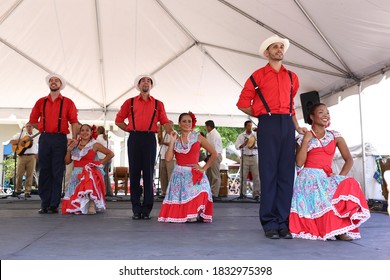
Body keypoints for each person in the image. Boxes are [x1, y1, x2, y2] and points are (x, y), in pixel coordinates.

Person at [236, 35, 306, 239]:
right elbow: (241, 103)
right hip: (267, 123)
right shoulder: (257, 75)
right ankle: (269, 223)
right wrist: (259, 113)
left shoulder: (292, 77)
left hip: (287, 123)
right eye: (275, 47)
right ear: (267, 53)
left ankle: (284, 222)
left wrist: (297, 127)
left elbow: (291, 107)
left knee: (286, 174)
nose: (279, 49)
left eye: (281, 46)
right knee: (269, 174)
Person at [289, 103, 370, 240]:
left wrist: (339, 178)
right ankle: (335, 230)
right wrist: (306, 141)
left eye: (327, 112)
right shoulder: (303, 137)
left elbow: (349, 159)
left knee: (349, 183)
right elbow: (299, 163)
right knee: (321, 193)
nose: (326, 115)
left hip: (326, 176)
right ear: (312, 117)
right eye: (321, 112)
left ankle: (339, 229)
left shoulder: (335, 135)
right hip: (307, 177)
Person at [115, 74, 172, 220]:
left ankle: (146, 209)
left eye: (148, 81)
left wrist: (172, 132)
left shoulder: (158, 104)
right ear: (138, 85)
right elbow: (118, 120)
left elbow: (165, 121)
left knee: (148, 174)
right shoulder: (130, 102)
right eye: (143, 81)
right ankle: (136, 208)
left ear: (151, 86)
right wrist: (130, 129)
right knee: (134, 173)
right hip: (134, 138)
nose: (146, 83)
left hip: (149, 138)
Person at [29, 74, 80, 214]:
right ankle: (44, 203)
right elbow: (32, 120)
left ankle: (54, 204)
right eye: (51, 81)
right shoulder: (41, 102)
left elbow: (74, 121)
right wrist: (41, 127)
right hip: (45, 138)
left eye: (56, 80)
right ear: (49, 84)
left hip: (59, 138)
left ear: (60, 84)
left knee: (57, 171)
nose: (53, 82)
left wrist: (74, 138)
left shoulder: (68, 102)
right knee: (44, 170)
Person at [158, 112, 216, 223]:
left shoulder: (197, 137)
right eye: (184, 121)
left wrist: (203, 168)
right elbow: (169, 158)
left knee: (203, 189)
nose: (187, 123)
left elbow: (214, 153)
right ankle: (189, 213)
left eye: (189, 121)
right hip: (179, 174)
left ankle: (194, 212)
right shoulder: (176, 139)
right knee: (182, 197)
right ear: (179, 124)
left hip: (194, 172)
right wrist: (172, 141)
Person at [62, 124, 114, 215]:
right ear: (79, 132)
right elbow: (67, 162)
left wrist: (99, 163)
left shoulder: (95, 145)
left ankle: (91, 204)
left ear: (91, 133)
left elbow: (110, 154)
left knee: (90, 177)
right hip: (76, 173)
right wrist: (69, 150)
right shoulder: (74, 144)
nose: (84, 132)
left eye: (87, 130)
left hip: (89, 172)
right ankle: (81, 205)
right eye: (82, 130)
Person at [10, 123, 39, 198]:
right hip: (21, 156)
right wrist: (20, 142)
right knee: (19, 174)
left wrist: (37, 153)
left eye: (30, 126)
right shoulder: (21, 135)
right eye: (27, 126)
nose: (29, 128)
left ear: (33, 127)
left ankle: (27, 191)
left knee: (30, 174)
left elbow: (40, 144)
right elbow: (11, 141)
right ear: (25, 127)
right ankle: (17, 190)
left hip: (32, 156)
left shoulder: (36, 136)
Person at [234, 120, 260, 200]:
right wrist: (244, 144)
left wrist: (254, 146)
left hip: (254, 156)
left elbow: (261, 145)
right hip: (245, 156)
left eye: (251, 125)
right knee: (243, 176)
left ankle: (256, 194)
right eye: (248, 126)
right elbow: (237, 146)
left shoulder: (255, 134)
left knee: (256, 176)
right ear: (245, 126)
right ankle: (243, 193)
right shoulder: (241, 136)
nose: (250, 127)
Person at [205, 120, 223, 199]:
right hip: (210, 155)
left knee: (215, 175)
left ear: (209, 126)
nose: (206, 128)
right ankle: (208, 191)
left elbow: (214, 148)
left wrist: (212, 156)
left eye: (206, 127)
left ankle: (214, 193)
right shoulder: (208, 134)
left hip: (215, 155)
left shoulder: (215, 134)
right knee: (209, 174)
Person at [157, 120, 176, 198]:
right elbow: (160, 142)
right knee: (163, 175)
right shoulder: (163, 133)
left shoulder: (174, 133)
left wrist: (163, 142)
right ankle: (164, 192)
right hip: (162, 155)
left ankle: (170, 192)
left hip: (171, 157)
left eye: (169, 125)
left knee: (170, 175)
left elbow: (172, 143)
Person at [96, 126, 113, 197]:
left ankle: (102, 191)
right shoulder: (106, 138)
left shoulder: (98, 138)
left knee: (100, 175)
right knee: (106, 176)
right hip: (109, 158)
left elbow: (95, 146)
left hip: (102, 158)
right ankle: (109, 191)